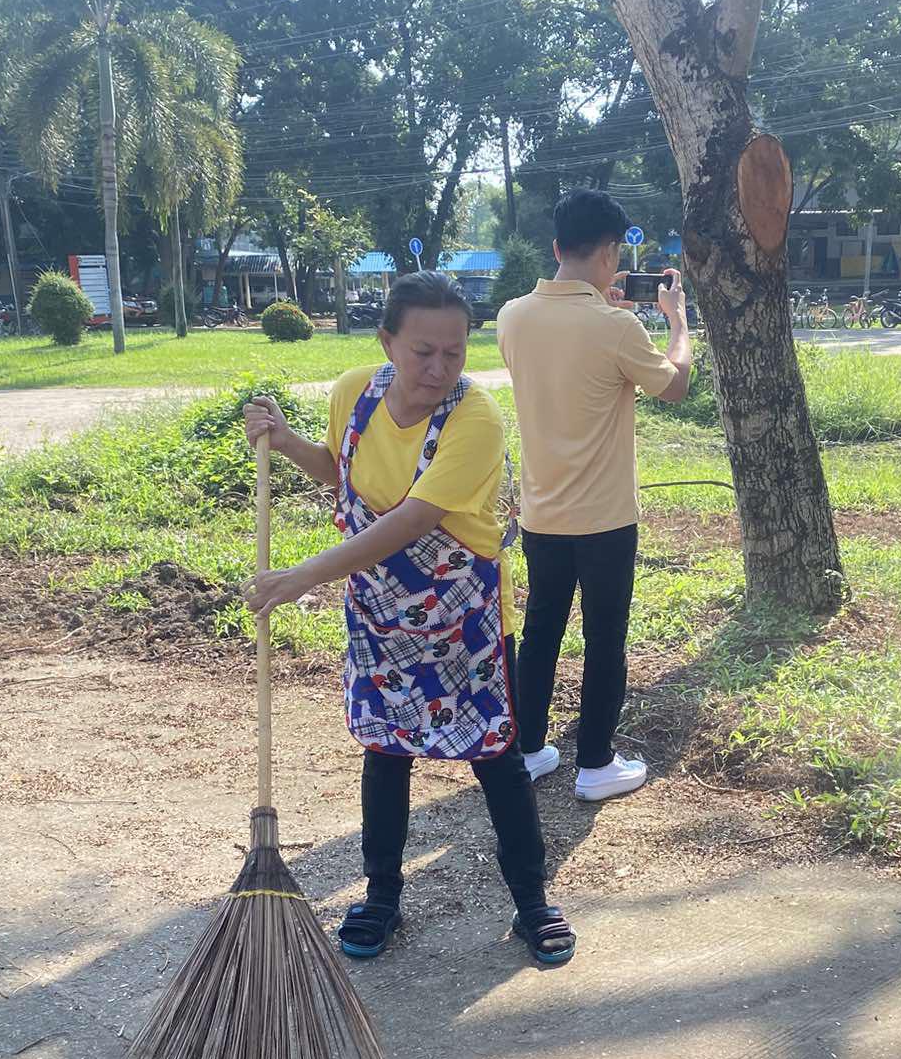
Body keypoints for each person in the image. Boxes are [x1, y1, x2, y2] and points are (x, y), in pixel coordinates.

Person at [241, 271, 575, 966]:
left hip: (467, 624)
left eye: (454, 352)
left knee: (496, 758)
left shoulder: (474, 417)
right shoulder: (352, 395)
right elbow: (342, 473)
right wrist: (284, 438)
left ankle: (533, 902)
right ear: (387, 340)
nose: (439, 368)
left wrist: (302, 576)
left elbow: (412, 520)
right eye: (423, 351)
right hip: (380, 619)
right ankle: (382, 897)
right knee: (386, 753)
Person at [497, 189, 694, 802]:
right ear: (611, 252)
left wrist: (602, 313)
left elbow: (566, 360)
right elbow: (675, 387)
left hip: (542, 511)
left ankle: (528, 750)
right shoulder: (616, 326)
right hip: (605, 518)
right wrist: (678, 323)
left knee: (541, 631)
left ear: (556, 248)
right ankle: (595, 764)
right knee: (605, 636)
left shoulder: (511, 316)